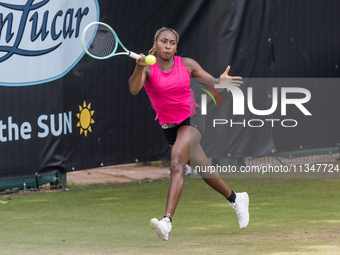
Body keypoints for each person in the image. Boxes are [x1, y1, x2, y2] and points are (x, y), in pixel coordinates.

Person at [128, 27, 249, 241]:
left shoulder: (187, 64)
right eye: (163, 41)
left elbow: (215, 85)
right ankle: (236, 198)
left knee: (176, 163)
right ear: (155, 44)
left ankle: (166, 222)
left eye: (172, 43)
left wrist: (222, 82)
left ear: (176, 47)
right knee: (205, 170)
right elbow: (134, 89)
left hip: (192, 119)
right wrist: (138, 68)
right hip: (169, 129)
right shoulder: (147, 68)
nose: (167, 46)